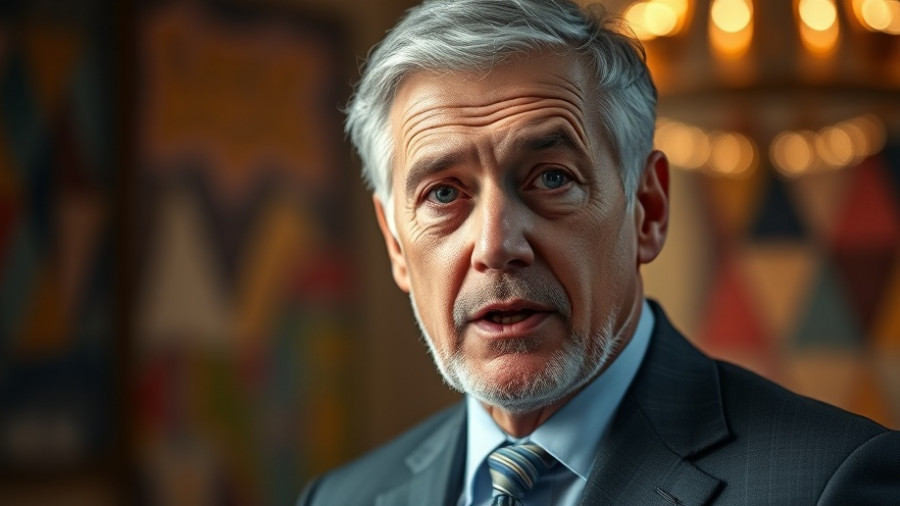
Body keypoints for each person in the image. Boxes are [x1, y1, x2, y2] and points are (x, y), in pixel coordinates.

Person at [299, 0, 900, 504]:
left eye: (551, 178)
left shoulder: (832, 483)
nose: (496, 246)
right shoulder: (338, 498)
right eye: (444, 193)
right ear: (395, 245)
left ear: (649, 209)